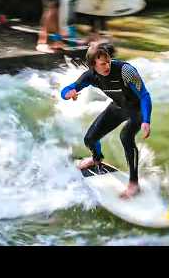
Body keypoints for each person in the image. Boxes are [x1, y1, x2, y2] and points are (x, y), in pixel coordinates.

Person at [60, 42, 152, 199]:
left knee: (126, 137)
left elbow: (144, 95)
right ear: (93, 65)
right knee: (90, 138)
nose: (107, 65)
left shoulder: (126, 71)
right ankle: (97, 159)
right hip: (117, 107)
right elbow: (67, 89)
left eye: (108, 61)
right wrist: (69, 94)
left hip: (137, 110)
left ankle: (134, 184)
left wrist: (146, 120)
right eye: (102, 63)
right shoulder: (90, 76)